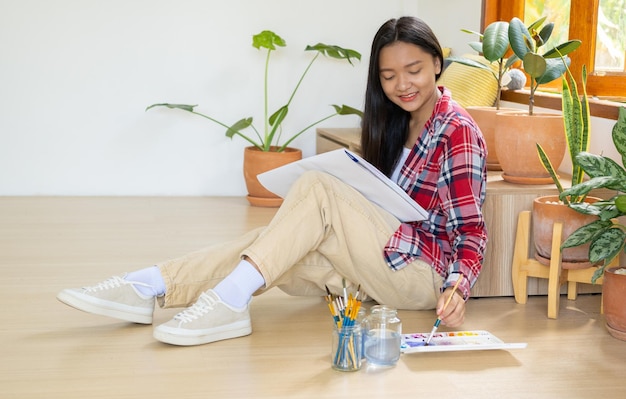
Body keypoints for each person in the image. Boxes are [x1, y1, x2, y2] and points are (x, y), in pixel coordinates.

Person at [57, 16, 487, 346]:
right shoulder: (397, 124)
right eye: (388, 76)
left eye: (413, 70)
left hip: (421, 275)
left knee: (316, 186)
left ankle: (226, 302)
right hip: (382, 262)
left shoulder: (456, 130)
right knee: (272, 249)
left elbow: (471, 231)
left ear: (436, 62)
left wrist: (457, 290)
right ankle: (150, 286)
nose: (401, 85)